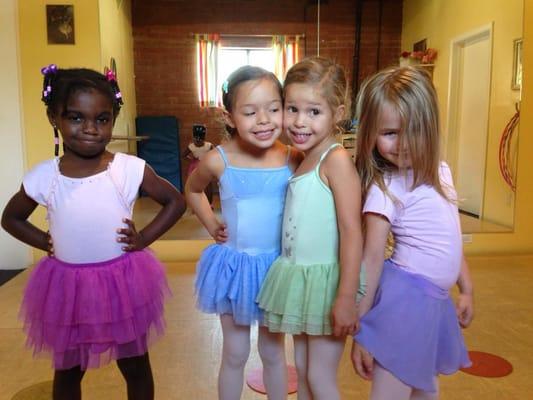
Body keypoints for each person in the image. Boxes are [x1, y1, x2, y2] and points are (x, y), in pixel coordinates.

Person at [1, 65, 186, 400]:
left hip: (121, 285)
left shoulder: (128, 169)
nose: (90, 129)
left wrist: (143, 238)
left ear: (112, 120)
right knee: (68, 370)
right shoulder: (45, 176)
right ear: (53, 117)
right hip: (67, 289)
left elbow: (175, 201)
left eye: (102, 119)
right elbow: (11, 218)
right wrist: (44, 241)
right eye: (76, 117)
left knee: (135, 365)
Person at [351, 66, 474, 400]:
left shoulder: (441, 171)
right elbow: (372, 259)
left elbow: (450, 237)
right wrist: (360, 330)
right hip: (404, 300)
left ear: (431, 128)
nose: (402, 144)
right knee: (393, 389)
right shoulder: (385, 187)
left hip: (434, 302)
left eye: (414, 131)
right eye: (390, 132)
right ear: (371, 135)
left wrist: (466, 287)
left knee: (424, 389)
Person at [185, 65, 302, 400]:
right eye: (250, 112)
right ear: (231, 116)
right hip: (234, 269)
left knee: (273, 353)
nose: (263, 120)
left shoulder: (293, 157)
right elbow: (193, 191)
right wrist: (211, 223)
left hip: (275, 270)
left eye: (274, 109)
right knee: (235, 354)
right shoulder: (217, 159)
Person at [257, 57, 365, 400]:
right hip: (300, 282)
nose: (300, 122)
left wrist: (346, 297)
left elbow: (352, 231)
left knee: (320, 377)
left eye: (314, 112)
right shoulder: (305, 158)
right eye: (292, 109)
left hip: (327, 287)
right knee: (303, 373)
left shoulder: (336, 159)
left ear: (338, 111)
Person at [183, 124, 214, 205]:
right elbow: (215, 155)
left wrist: (192, 160)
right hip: (206, 166)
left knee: (194, 186)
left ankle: (196, 204)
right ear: (204, 135)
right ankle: (209, 204)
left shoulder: (191, 146)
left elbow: (183, 156)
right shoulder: (209, 145)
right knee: (208, 186)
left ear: (194, 135)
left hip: (195, 166)